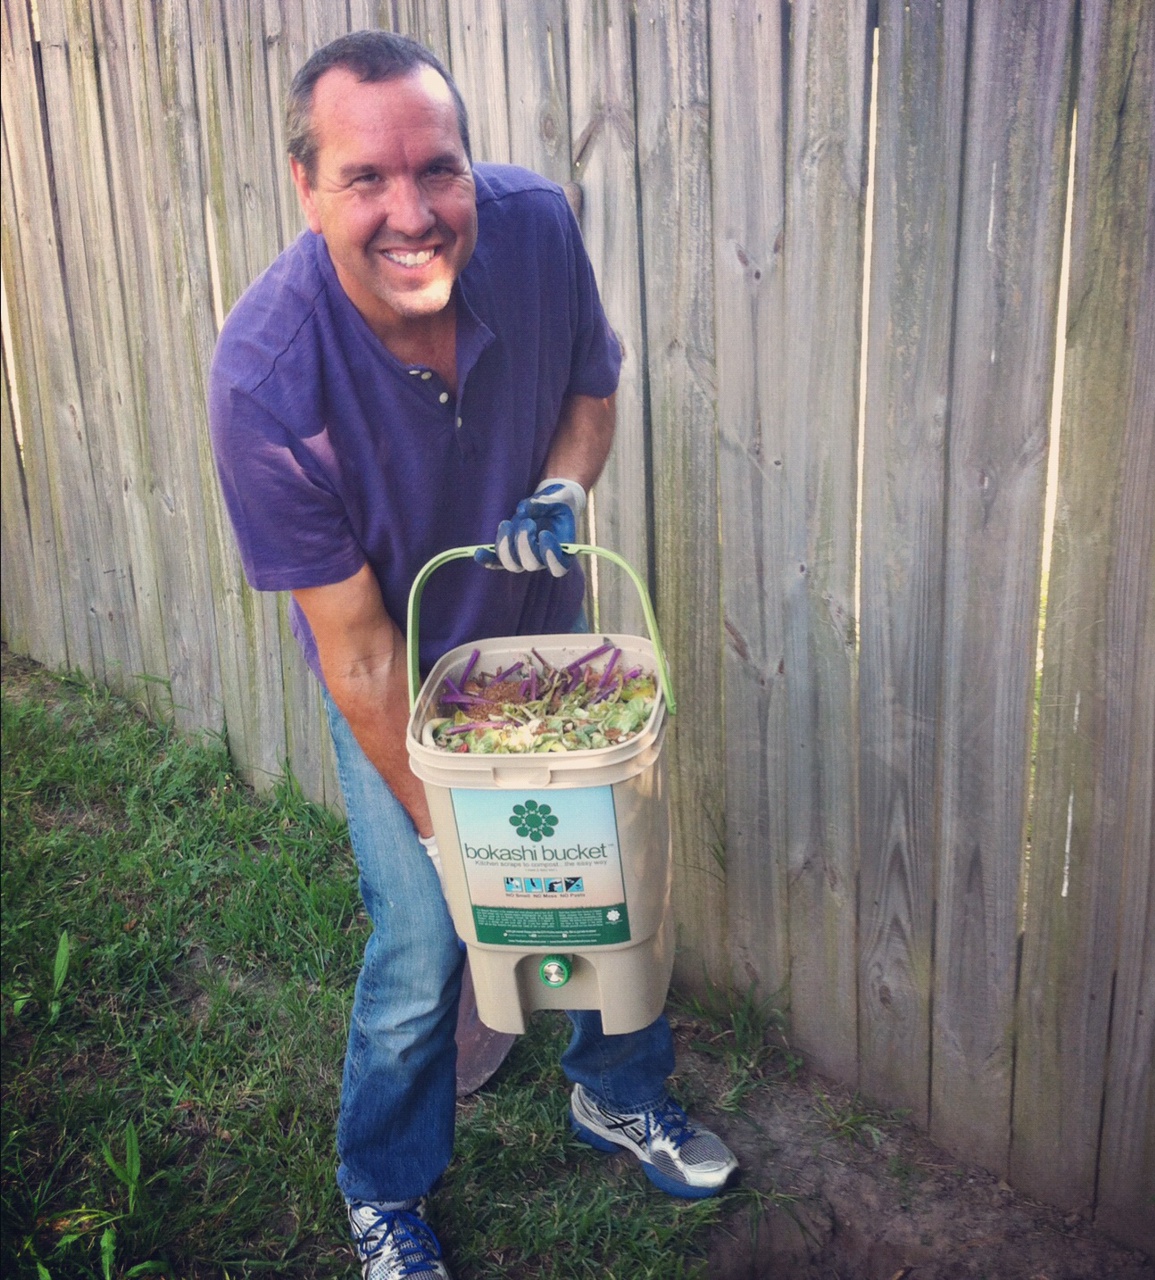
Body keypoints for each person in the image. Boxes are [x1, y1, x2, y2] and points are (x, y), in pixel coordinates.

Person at [206, 30, 737, 1280]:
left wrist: (560, 486)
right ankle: (383, 1186)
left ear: (466, 162)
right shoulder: (268, 380)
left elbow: (589, 396)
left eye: (434, 170)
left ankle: (613, 1087)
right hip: (405, 676)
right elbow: (358, 651)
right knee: (428, 940)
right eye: (365, 179)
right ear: (306, 186)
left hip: (548, 652)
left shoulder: (536, 229)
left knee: (610, 881)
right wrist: (460, 835)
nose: (411, 211)